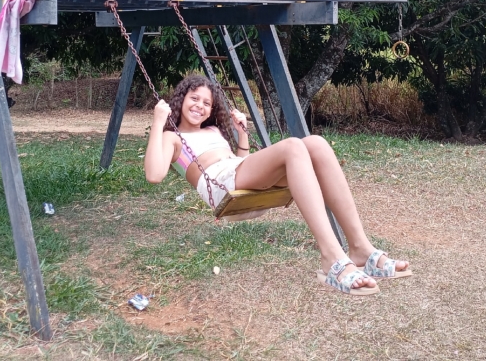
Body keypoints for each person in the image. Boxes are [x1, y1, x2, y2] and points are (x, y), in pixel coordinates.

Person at [144, 74, 412, 296]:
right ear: (181, 99)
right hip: (219, 184)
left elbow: (241, 162)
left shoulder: (212, 130)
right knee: (293, 146)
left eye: (207, 103)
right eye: (194, 98)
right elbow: (154, 175)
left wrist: (242, 134)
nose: (199, 106)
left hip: (236, 172)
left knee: (316, 144)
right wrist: (158, 122)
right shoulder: (172, 137)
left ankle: (360, 248)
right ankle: (331, 255)